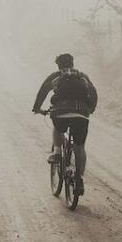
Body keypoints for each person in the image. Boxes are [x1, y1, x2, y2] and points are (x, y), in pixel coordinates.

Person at [32, 53, 98, 195]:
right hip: (82, 114)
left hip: (60, 112)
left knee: (58, 129)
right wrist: (91, 108)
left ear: (58, 65)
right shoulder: (82, 76)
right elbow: (93, 93)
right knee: (80, 147)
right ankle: (79, 178)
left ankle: (56, 152)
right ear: (72, 63)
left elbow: (43, 91)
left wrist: (37, 108)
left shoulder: (55, 76)